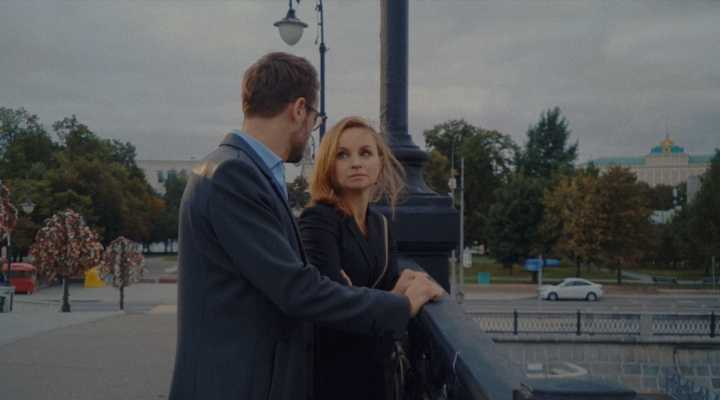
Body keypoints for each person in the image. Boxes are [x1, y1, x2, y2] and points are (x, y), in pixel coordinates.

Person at [168, 52, 444, 400]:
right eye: (315, 120)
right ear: (299, 109)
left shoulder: (237, 168)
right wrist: (399, 306)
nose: (312, 131)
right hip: (236, 384)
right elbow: (296, 289)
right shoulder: (233, 174)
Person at [299, 116, 432, 400]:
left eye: (365, 153)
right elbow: (332, 307)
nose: (356, 163)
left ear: (380, 163)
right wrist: (397, 300)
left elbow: (372, 298)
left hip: (377, 372)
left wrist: (364, 295)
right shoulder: (318, 219)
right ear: (328, 166)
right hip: (332, 376)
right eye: (342, 155)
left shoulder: (380, 225)